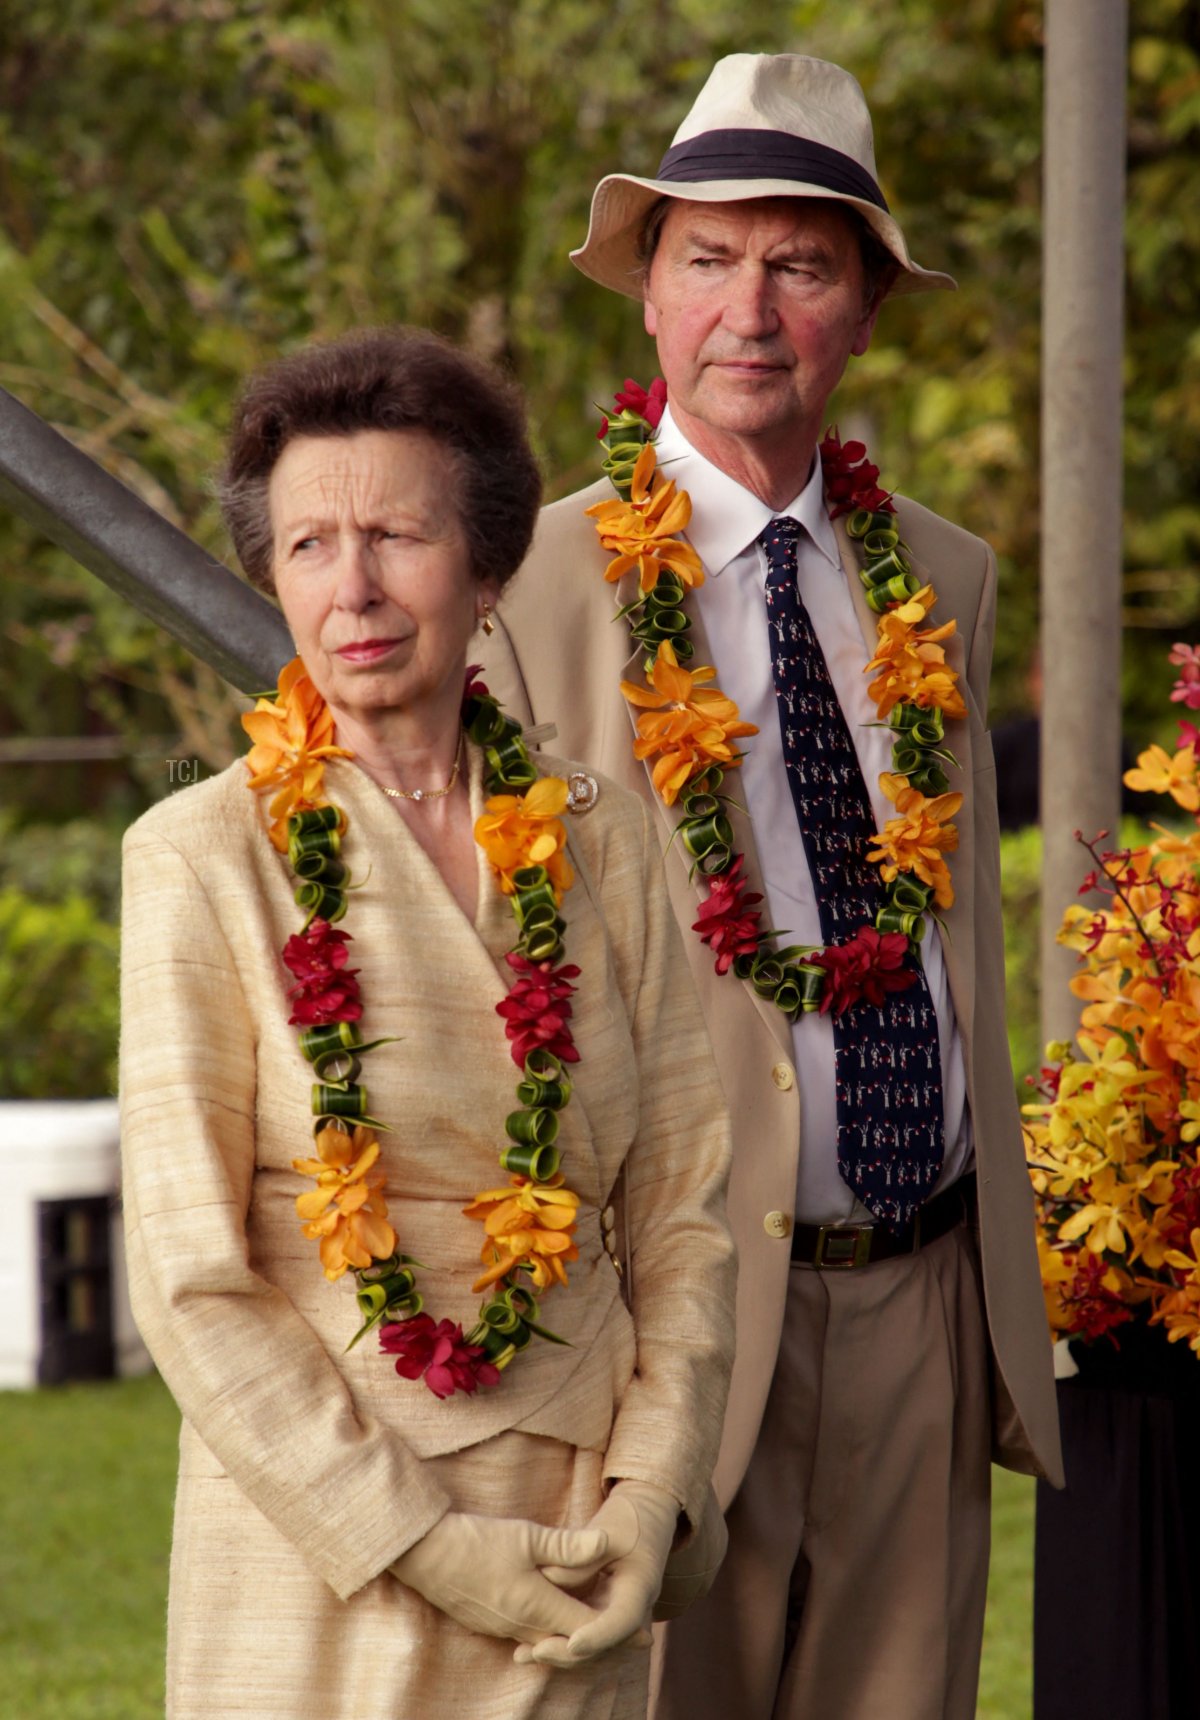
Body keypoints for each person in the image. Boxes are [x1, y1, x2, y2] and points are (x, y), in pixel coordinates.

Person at [477, 53, 1064, 1720]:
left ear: (863, 304)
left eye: (800, 262)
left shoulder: (945, 576)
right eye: (710, 259)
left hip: (923, 1293)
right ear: (648, 296)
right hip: (675, 1316)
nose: (752, 307)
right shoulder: (532, 584)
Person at [118, 327, 736, 1720]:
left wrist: (652, 1497)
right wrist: (420, 1544)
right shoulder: (200, 857)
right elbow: (193, 1283)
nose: (354, 590)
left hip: (572, 1539)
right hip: (315, 1539)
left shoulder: (608, 840)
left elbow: (686, 1216)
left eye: (396, 534)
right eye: (308, 547)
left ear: (490, 568)